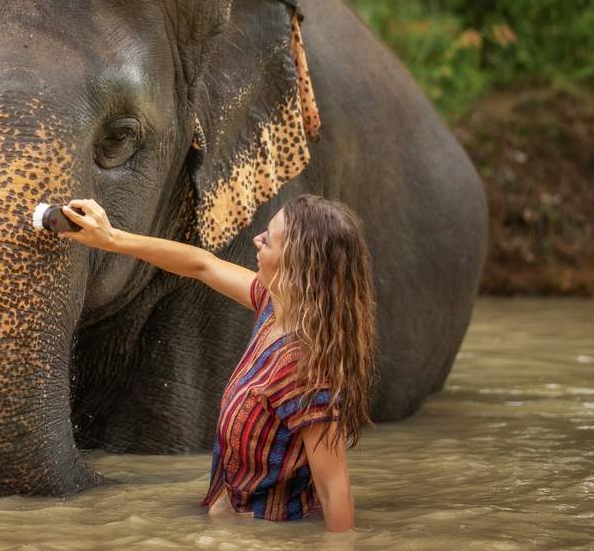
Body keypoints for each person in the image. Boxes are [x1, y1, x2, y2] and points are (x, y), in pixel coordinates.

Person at [58, 195, 376, 530]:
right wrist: (111, 238)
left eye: (267, 240)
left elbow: (334, 493)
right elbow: (201, 264)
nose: (257, 240)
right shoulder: (274, 306)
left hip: (264, 536)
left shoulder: (307, 371)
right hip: (228, 524)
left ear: (296, 266)